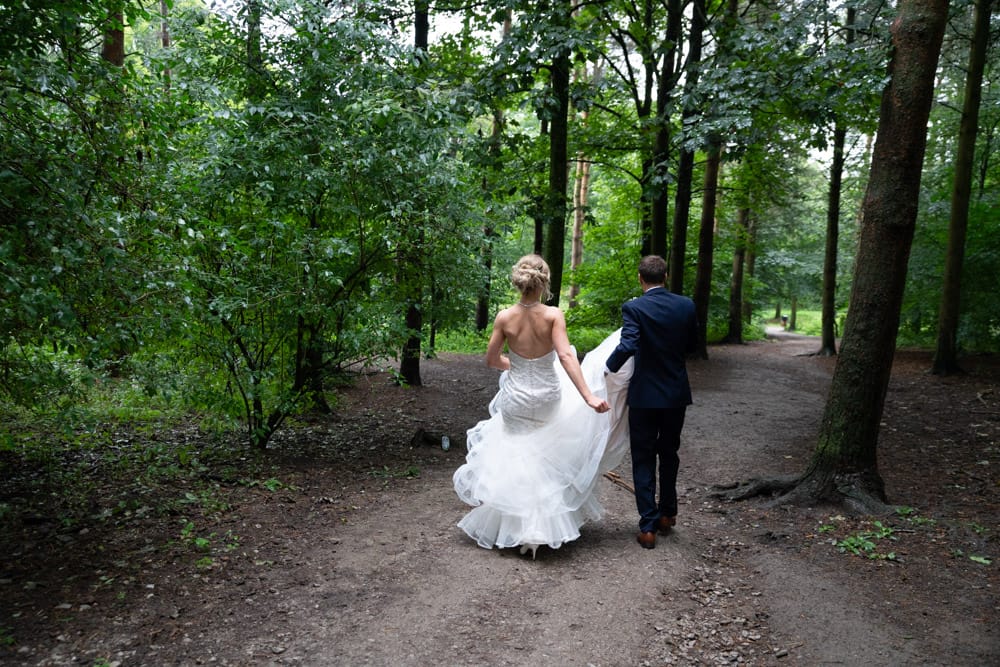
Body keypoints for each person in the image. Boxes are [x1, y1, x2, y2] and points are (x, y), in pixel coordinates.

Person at [453, 254, 616, 558]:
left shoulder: (504, 316)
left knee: (517, 454)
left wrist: (514, 366)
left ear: (520, 280)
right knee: (543, 456)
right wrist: (588, 397)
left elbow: (490, 360)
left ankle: (515, 527)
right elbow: (567, 357)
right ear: (544, 281)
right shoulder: (553, 315)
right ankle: (538, 530)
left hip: (516, 397)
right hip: (546, 397)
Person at [605, 255, 698, 550]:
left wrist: (608, 367)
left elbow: (629, 344)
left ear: (640, 278)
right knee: (669, 452)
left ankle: (647, 527)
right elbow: (693, 345)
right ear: (666, 276)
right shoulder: (686, 305)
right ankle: (668, 513)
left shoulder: (634, 307)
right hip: (675, 393)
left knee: (643, 456)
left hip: (644, 395)